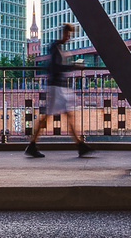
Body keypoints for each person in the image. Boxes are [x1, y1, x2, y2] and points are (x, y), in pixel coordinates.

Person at [26, 22, 92, 158]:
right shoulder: (55, 47)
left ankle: (80, 145)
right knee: (51, 117)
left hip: (58, 87)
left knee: (63, 115)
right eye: (68, 34)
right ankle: (32, 144)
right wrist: (72, 65)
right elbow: (55, 67)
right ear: (64, 33)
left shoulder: (58, 47)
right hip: (56, 87)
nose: (69, 37)